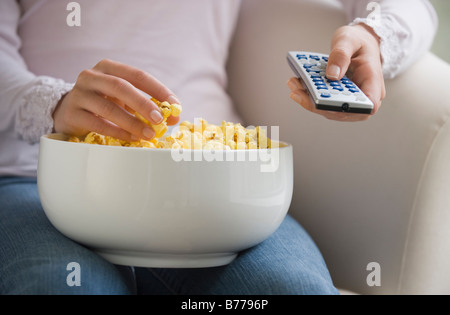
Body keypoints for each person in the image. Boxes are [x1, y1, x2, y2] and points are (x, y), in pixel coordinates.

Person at [0, 0, 437, 295]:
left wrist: (373, 36)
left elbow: (415, 9)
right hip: (39, 175)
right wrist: (53, 102)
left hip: (216, 178)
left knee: (288, 290)